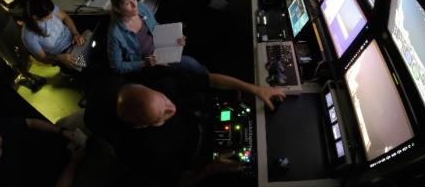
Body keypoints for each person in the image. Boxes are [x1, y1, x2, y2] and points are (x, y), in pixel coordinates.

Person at [84, 72, 285, 186]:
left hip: (202, 122)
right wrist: (212, 169)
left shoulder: (157, 84)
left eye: (163, 100)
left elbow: (208, 79)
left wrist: (256, 89)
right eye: (162, 116)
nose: (171, 108)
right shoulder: (141, 151)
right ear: (141, 126)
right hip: (201, 160)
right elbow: (180, 182)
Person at [107, 0, 207, 81]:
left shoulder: (142, 8)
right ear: (117, 8)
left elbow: (156, 27)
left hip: (161, 49)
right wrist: (144, 63)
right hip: (148, 65)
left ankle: (207, 79)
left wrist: (174, 37)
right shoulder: (115, 34)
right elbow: (117, 67)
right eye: (128, 3)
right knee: (190, 64)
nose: (135, 5)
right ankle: (210, 80)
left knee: (190, 62)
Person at [0, 112, 86, 186]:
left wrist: (61, 131)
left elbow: (31, 122)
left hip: (63, 139)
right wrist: (74, 163)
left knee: (90, 114)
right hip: (69, 173)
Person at [21, 0, 85, 70]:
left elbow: (65, 17)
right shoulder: (29, 36)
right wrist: (58, 58)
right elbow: (43, 59)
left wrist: (75, 33)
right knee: (86, 67)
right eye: (48, 16)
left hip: (75, 41)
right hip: (63, 56)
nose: (52, 16)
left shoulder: (47, 8)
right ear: (35, 17)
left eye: (52, 12)